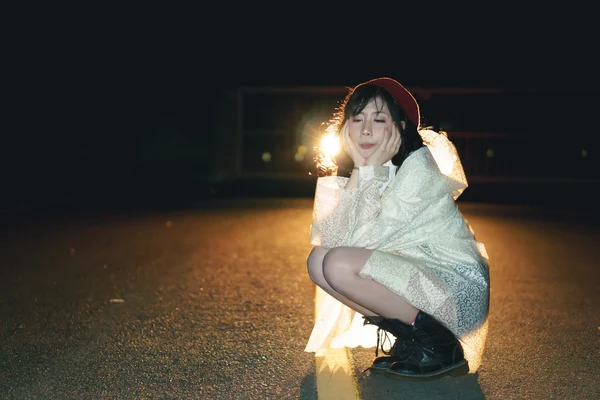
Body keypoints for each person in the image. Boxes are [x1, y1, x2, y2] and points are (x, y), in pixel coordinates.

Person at [304, 77, 490, 380]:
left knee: (337, 263)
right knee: (317, 261)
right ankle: (413, 339)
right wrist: (361, 171)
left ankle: (440, 346)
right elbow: (334, 239)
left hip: (454, 291)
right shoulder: (371, 167)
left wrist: (366, 170)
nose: (365, 129)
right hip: (423, 285)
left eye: (379, 119)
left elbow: (360, 244)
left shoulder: (417, 169)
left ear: (401, 126)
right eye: (357, 118)